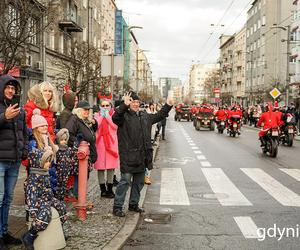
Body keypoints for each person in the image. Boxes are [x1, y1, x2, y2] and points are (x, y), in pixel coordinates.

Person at [112, 92, 173, 217]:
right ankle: (117, 206)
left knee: (139, 182)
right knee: (125, 181)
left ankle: (133, 204)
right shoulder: (123, 116)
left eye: (137, 102)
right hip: (128, 156)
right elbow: (115, 118)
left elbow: (159, 116)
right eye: (133, 102)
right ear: (129, 103)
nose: (135, 104)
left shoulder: (144, 115)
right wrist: (124, 105)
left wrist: (168, 105)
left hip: (142, 156)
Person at [0, 75, 28, 249]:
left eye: (13, 88)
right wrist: (4, 116)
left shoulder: (20, 109)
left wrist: (23, 150)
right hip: (0, 160)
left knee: (8, 199)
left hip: (14, 160)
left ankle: (4, 232)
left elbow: (24, 132)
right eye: (8, 87)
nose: (11, 91)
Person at [22, 149, 67, 250]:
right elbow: (31, 196)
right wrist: (33, 210)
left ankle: (59, 229)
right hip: (38, 202)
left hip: (48, 198)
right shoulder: (33, 179)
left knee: (61, 206)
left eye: (49, 161)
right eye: (46, 161)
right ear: (39, 163)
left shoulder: (44, 173)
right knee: (45, 213)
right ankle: (31, 235)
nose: (49, 163)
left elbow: (48, 189)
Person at [65, 100, 98, 198]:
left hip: (87, 153)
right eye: (85, 109)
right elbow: (68, 133)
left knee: (83, 176)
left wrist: (94, 123)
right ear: (79, 110)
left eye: (88, 110)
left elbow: (92, 132)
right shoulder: (74, 119)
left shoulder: (85, 120)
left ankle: (79, 196)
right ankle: (77, 196)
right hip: (80, 154)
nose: (87, 112)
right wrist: (79, 144)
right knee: (80, 176)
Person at [94, 99, 119, 198]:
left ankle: (110, 189)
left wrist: (108, 117)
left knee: (110, 168)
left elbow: (115, 127)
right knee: (100, 168)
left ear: (110, 106)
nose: (105, 108)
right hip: (100, 145)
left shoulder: (114, 115)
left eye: (107, 105)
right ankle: (103, 190)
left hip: (111, 145)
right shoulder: (97, 116)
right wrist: (101, 117)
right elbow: (96, 126)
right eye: (103, 106)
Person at [53, 128, 76, 201]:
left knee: (64, 185)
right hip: (58, 172)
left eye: (65, 140)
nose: (64, 142)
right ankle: (57, 199)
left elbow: (72, 157)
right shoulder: (57, 150)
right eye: (62, 140)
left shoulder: (68, 149)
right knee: (58, 185)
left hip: (66, 171)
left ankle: (61, 198)